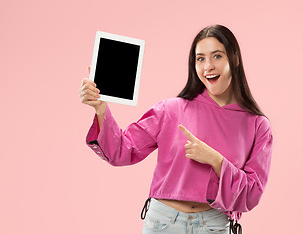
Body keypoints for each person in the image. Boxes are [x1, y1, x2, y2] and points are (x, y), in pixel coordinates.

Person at [79, 25, 273, 234]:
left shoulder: (257, 125)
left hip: (215, 225)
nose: (208, 66)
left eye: (217, 56)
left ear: (234, 59)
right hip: (163, 223)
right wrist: (101, 110)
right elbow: (122, 151)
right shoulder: (170, 109)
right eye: (200, 59)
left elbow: (252, 194)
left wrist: (216, 161)